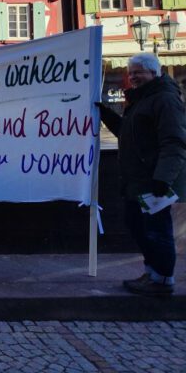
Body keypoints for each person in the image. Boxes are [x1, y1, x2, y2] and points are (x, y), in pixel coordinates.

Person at [97, 53, 186, 297]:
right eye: (131, 72)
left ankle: (163, 279)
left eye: (139, 72)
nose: (133, 77)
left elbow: (174, 142)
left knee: (157, 230)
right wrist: (105, 113)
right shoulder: (142, 100)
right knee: (136, 225)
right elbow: (127, 133)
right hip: (138, 180)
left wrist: (163, 178)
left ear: (154, 73)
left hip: (153, 180)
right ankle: (152, 271)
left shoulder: (165, 100)